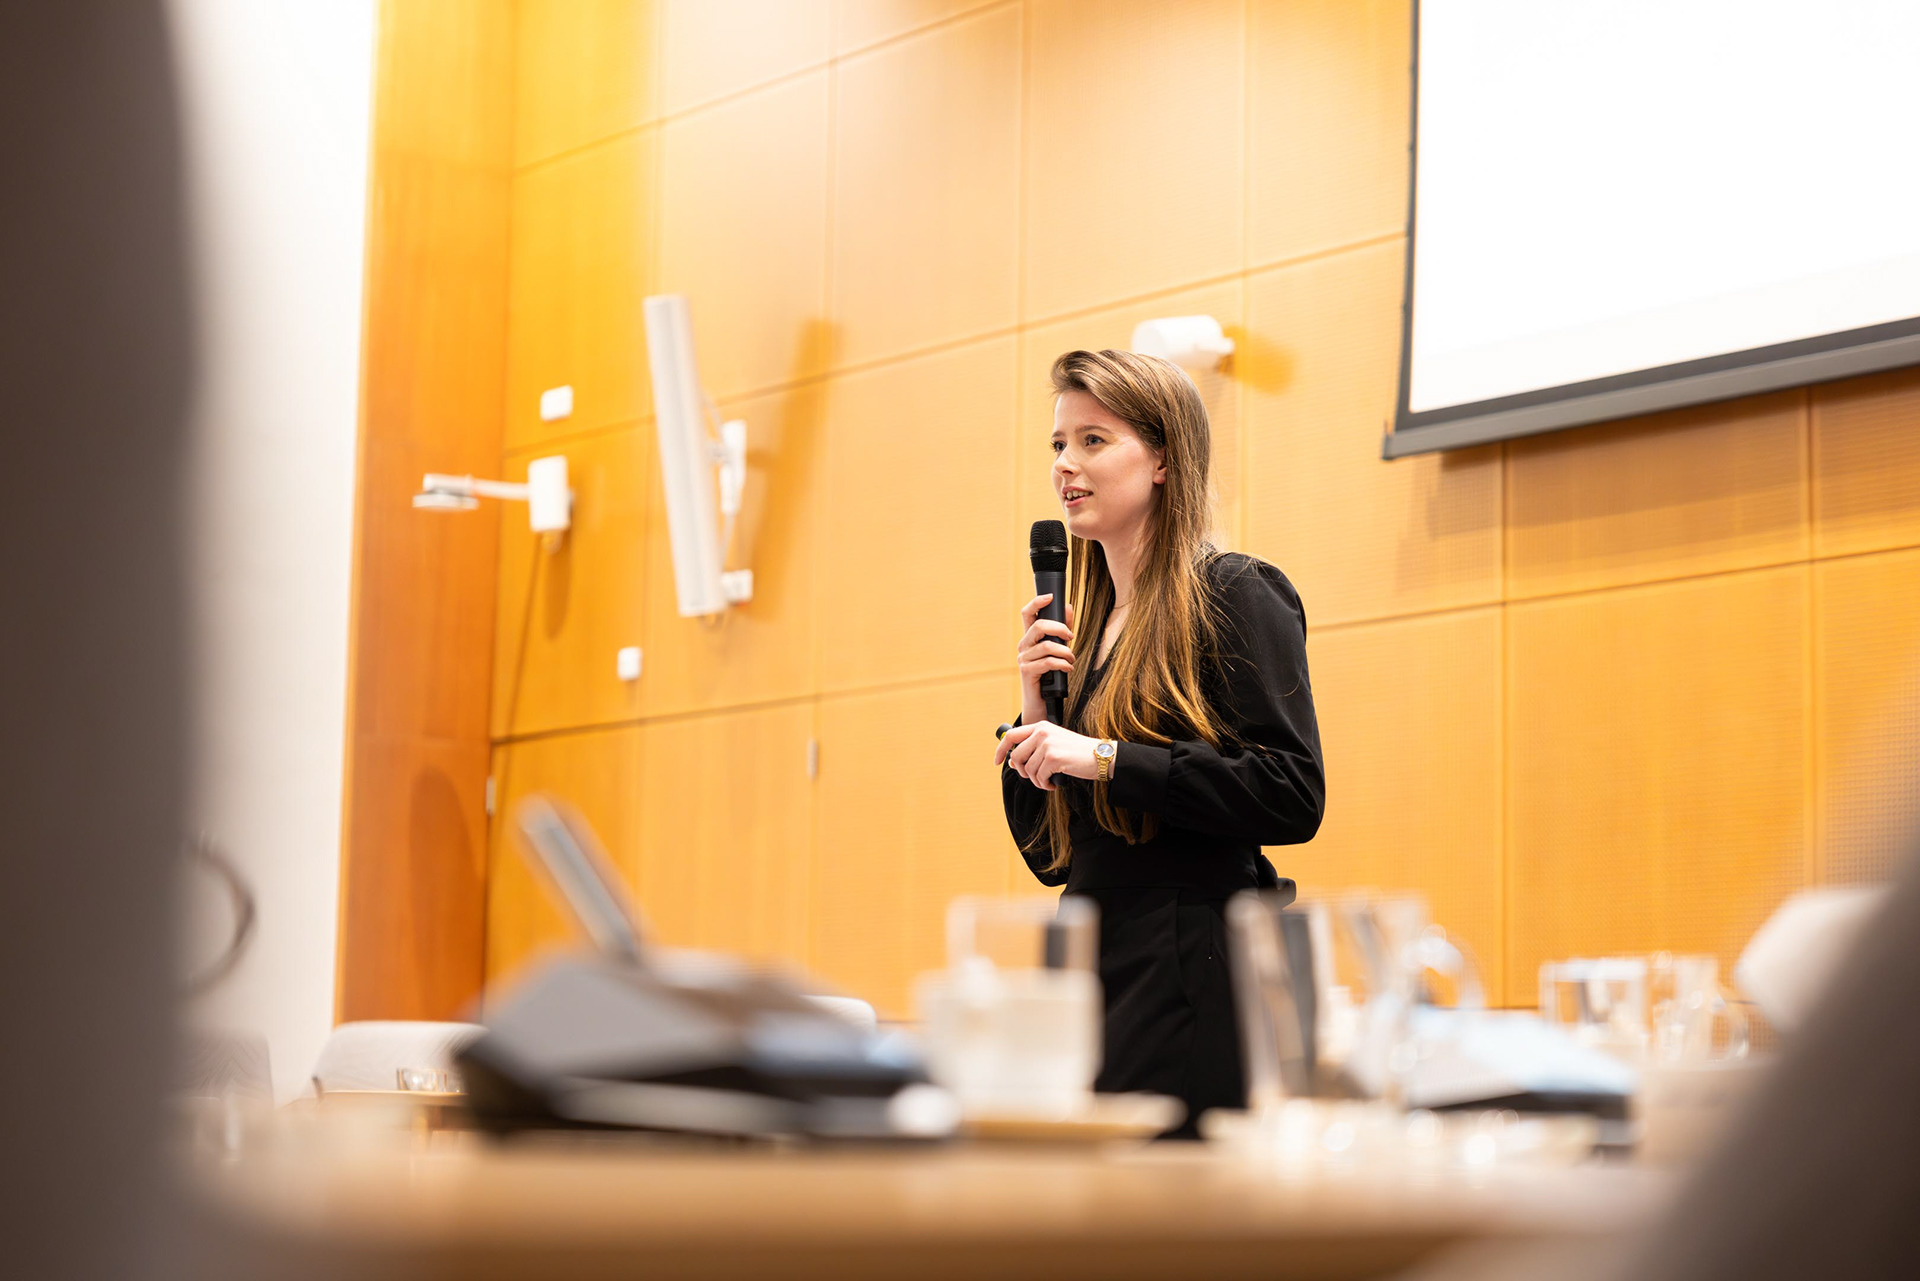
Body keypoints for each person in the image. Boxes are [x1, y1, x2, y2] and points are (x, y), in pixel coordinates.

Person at [994, 348, 1325, 1137]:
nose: (1065, 464)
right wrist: (1035, 712)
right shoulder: (1085, 635)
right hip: (1093, 966)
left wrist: (1104, 756)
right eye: (1058, 443)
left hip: (1194, 964)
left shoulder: (1236, 591)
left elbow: (1291, 790)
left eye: (1093, 440)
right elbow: (1054, 858)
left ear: (1164, 460)